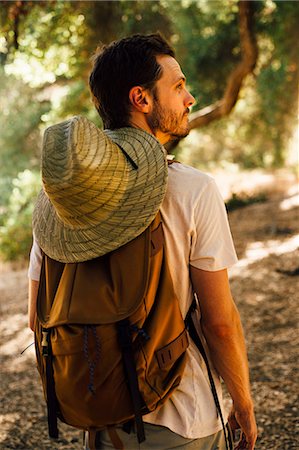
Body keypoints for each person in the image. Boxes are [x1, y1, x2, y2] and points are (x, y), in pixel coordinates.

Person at [28, 33, 257, 450]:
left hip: (99, 423)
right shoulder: (193, 188)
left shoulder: (58, 201)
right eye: (178, 86)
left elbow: (37, 318)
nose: (189, 98)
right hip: (182, 420)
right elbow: (219, 323)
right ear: (142, 98)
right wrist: (242, 402)